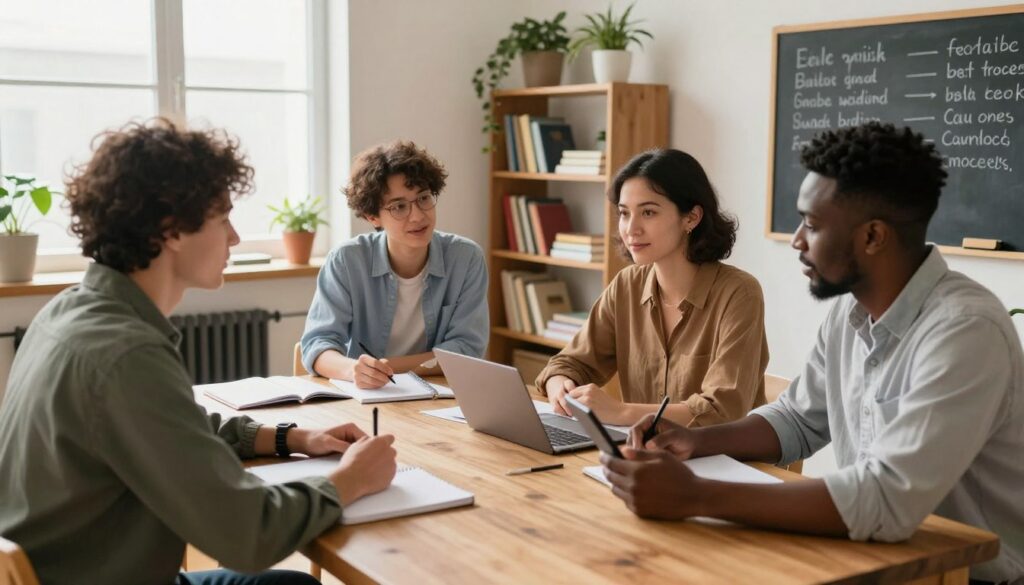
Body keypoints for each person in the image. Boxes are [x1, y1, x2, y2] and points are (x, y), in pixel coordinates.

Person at [602, 122, 1024, 584]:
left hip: (965, 575)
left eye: (813, 224)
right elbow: (798, 420)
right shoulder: (850, 312)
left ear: (873, 237)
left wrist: (696, 496)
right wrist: (696, 439)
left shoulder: (965, 332)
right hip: (878, 559)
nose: (798, 240)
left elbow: (886, 499)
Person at [0, 120, 398, 585]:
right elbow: (251, 534)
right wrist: (350, 480)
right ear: (171, 229)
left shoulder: (71, 311)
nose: (234, 237)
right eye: (223, 218)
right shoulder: (125, 355)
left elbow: (170, 428)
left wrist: (291, 438)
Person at [535, 149, 768, 426]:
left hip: (722, 461)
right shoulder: (626, 285)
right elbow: (569, 364)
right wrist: (560, 385)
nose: (631, 228)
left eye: (648, 212)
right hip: (643, 456)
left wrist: (620, 412)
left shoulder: (739, 294)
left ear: (691, 218)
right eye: (624, 213)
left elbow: (721, 411)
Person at [300, 140, 488, 388]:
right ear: (372, 216)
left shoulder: (466, 259)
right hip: (365, 396)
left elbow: (466, 349)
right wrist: (354, 370)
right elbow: (318, 344)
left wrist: (385, 367)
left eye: (423, 198)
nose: (418, 216)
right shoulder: (346, 261)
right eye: (399, 206)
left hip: (435, 395)